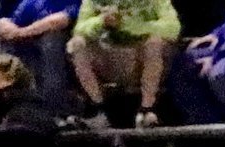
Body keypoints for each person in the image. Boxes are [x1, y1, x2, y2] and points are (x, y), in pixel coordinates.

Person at [67, 0, 179, 128]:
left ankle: (147, 110)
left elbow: (173, 27)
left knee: (154, 43)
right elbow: (80, 28)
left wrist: (129, 26)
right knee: (78, 45)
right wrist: (101, 21)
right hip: (111, 58)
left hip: (143, 58)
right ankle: (100, 110)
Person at [0, 0, 78, 118]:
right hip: (26, 45)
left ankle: (54, 111)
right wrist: (4, 24)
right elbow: (7, 19)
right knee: (3, 41)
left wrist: (23, 32)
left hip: (57, 48)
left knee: (52, 40)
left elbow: (61, 19)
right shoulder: (30, 2)